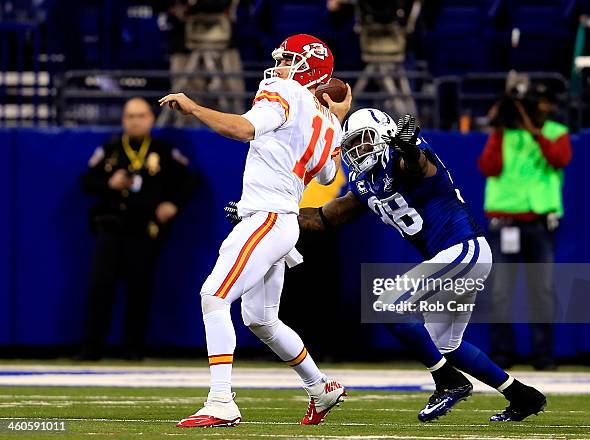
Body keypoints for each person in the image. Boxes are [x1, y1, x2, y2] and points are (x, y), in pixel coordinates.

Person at [298, 108, 547, 422]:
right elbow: (323, 218)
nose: (358, 150)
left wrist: (406, 146)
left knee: (388, 305)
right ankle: (522, 396)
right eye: (352, 146)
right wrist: (270, 214)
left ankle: (449, 382)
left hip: (462, 250)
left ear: (386, 135)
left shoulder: (405, 157)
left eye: (363, 140)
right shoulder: (365, 181)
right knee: (446, 345)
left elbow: (417, 166)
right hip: (456, 258)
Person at [159, 33, 352, 428]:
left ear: (308, 69)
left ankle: (221, 401)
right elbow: (330, 171)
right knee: (261, 320)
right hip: (281, 221)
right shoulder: (328, 122)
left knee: (213, 296)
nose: (280, 67)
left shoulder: (286, 92)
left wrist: (195, 108)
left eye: (288, 60)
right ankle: (320, 387)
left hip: (268, 218)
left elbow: (243, 129)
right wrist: (337, 118)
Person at [79, 97, 195, 360]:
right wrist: (109, 183)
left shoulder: (163, 151)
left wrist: (172, 204)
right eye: (130, 116)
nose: (135, 121)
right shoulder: (109, 149)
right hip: (110, 227)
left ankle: (133, 348)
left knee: (139, 288)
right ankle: (91, 347)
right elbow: (86, 181)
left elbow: (189, 181)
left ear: (151, 119)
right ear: (123, 120)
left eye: (141, 115)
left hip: (144, 230)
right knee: (100, 286)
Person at [478, 84, 572, 370]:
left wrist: (535, 132)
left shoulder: (556, 131)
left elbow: (560, 158)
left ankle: (544, 356)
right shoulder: (503, 132)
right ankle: (502, 355)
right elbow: (488, 167)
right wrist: (498, 127)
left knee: (541, 290)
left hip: (541, 223)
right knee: (501, 291)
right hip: (505, 221)